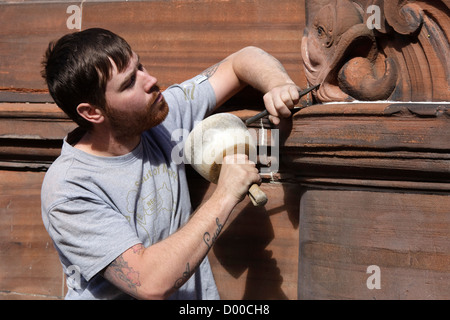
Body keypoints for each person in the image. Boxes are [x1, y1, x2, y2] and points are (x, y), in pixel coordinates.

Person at [40, 28, 299, 300]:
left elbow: (242, 60)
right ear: (92, 112)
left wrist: (277, 84)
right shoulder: (68, 190)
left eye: (139, 65)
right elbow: (149, 283)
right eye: (129, 83)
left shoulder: (160, 117)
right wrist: (225, 194)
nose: (151, 80)